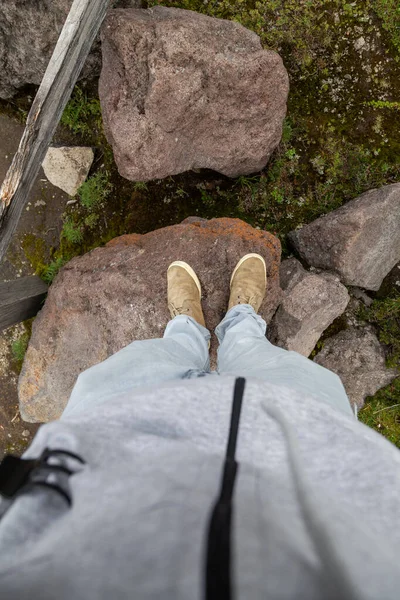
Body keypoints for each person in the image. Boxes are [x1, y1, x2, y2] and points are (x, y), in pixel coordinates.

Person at [0, 254, 399, 600]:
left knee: (128, 373)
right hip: (310, 454)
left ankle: (187, 329)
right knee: (277, 369)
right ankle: (240, 322)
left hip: (98, 466)